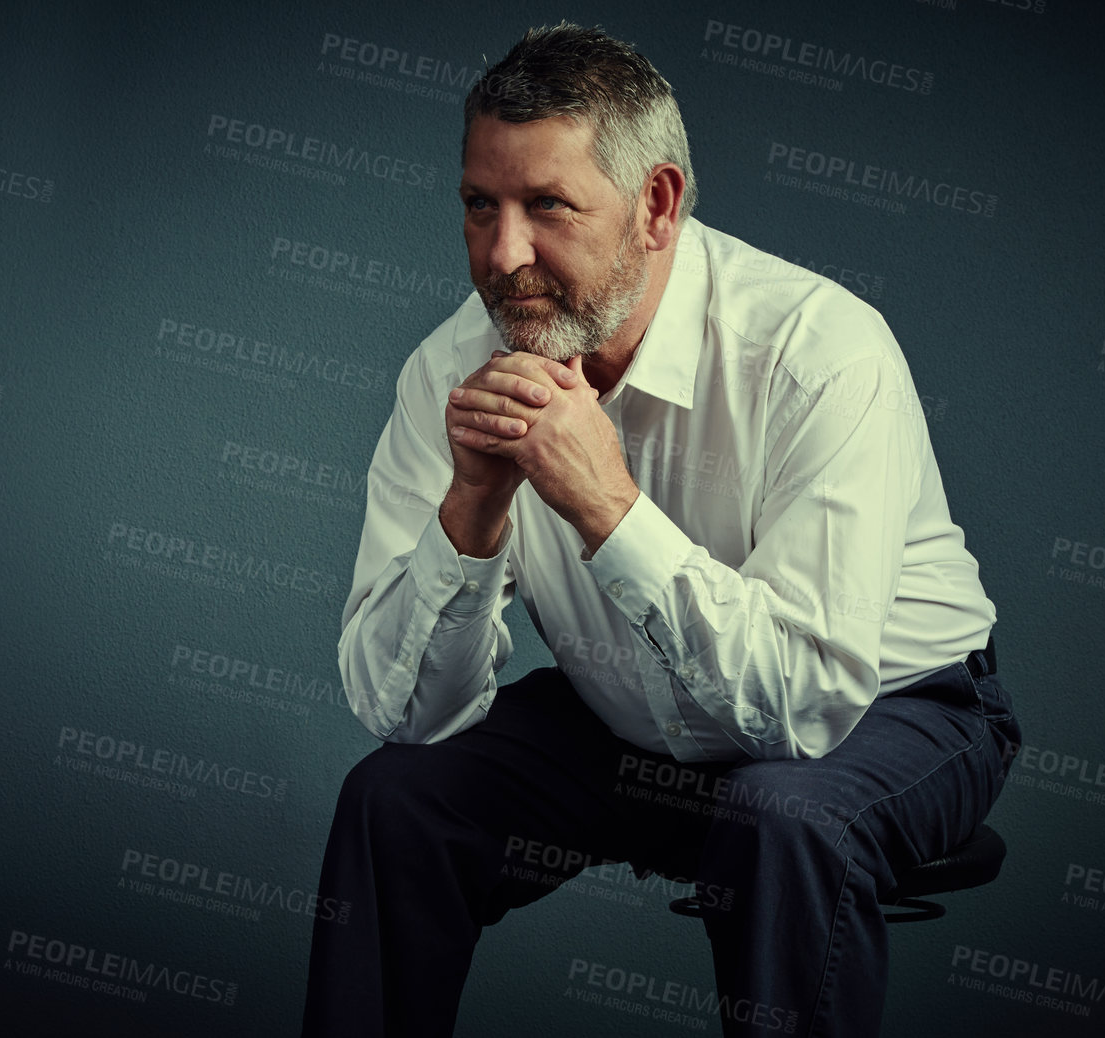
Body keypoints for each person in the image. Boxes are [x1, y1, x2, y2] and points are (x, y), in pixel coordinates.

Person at [301, 23, 1022, 1038]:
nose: (503, 257)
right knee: (396, 801)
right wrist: (470, 511)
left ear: (655, 206)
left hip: (890, 709)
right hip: (627, 714)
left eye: (546, 206)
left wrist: (608, 507)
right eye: (478, 205)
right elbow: (400, 711)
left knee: (782, 818)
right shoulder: (448, 373)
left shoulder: (820, 351)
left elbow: (801, 707)